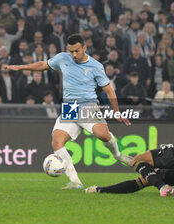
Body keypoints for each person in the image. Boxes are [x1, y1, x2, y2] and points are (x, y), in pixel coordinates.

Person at [7, 34, 131, 189]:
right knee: (57, 142)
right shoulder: (62, 58)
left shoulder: (95, 66)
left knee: (103, 135)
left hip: (88, 106)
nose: (73, 55)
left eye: (77, 51)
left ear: (84, 48)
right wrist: (21, 67)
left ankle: (118, 155)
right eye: (71, 51)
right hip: (70, 108)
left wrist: (117, 111)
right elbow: (43, 65)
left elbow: (109, 91)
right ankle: (75, 181)